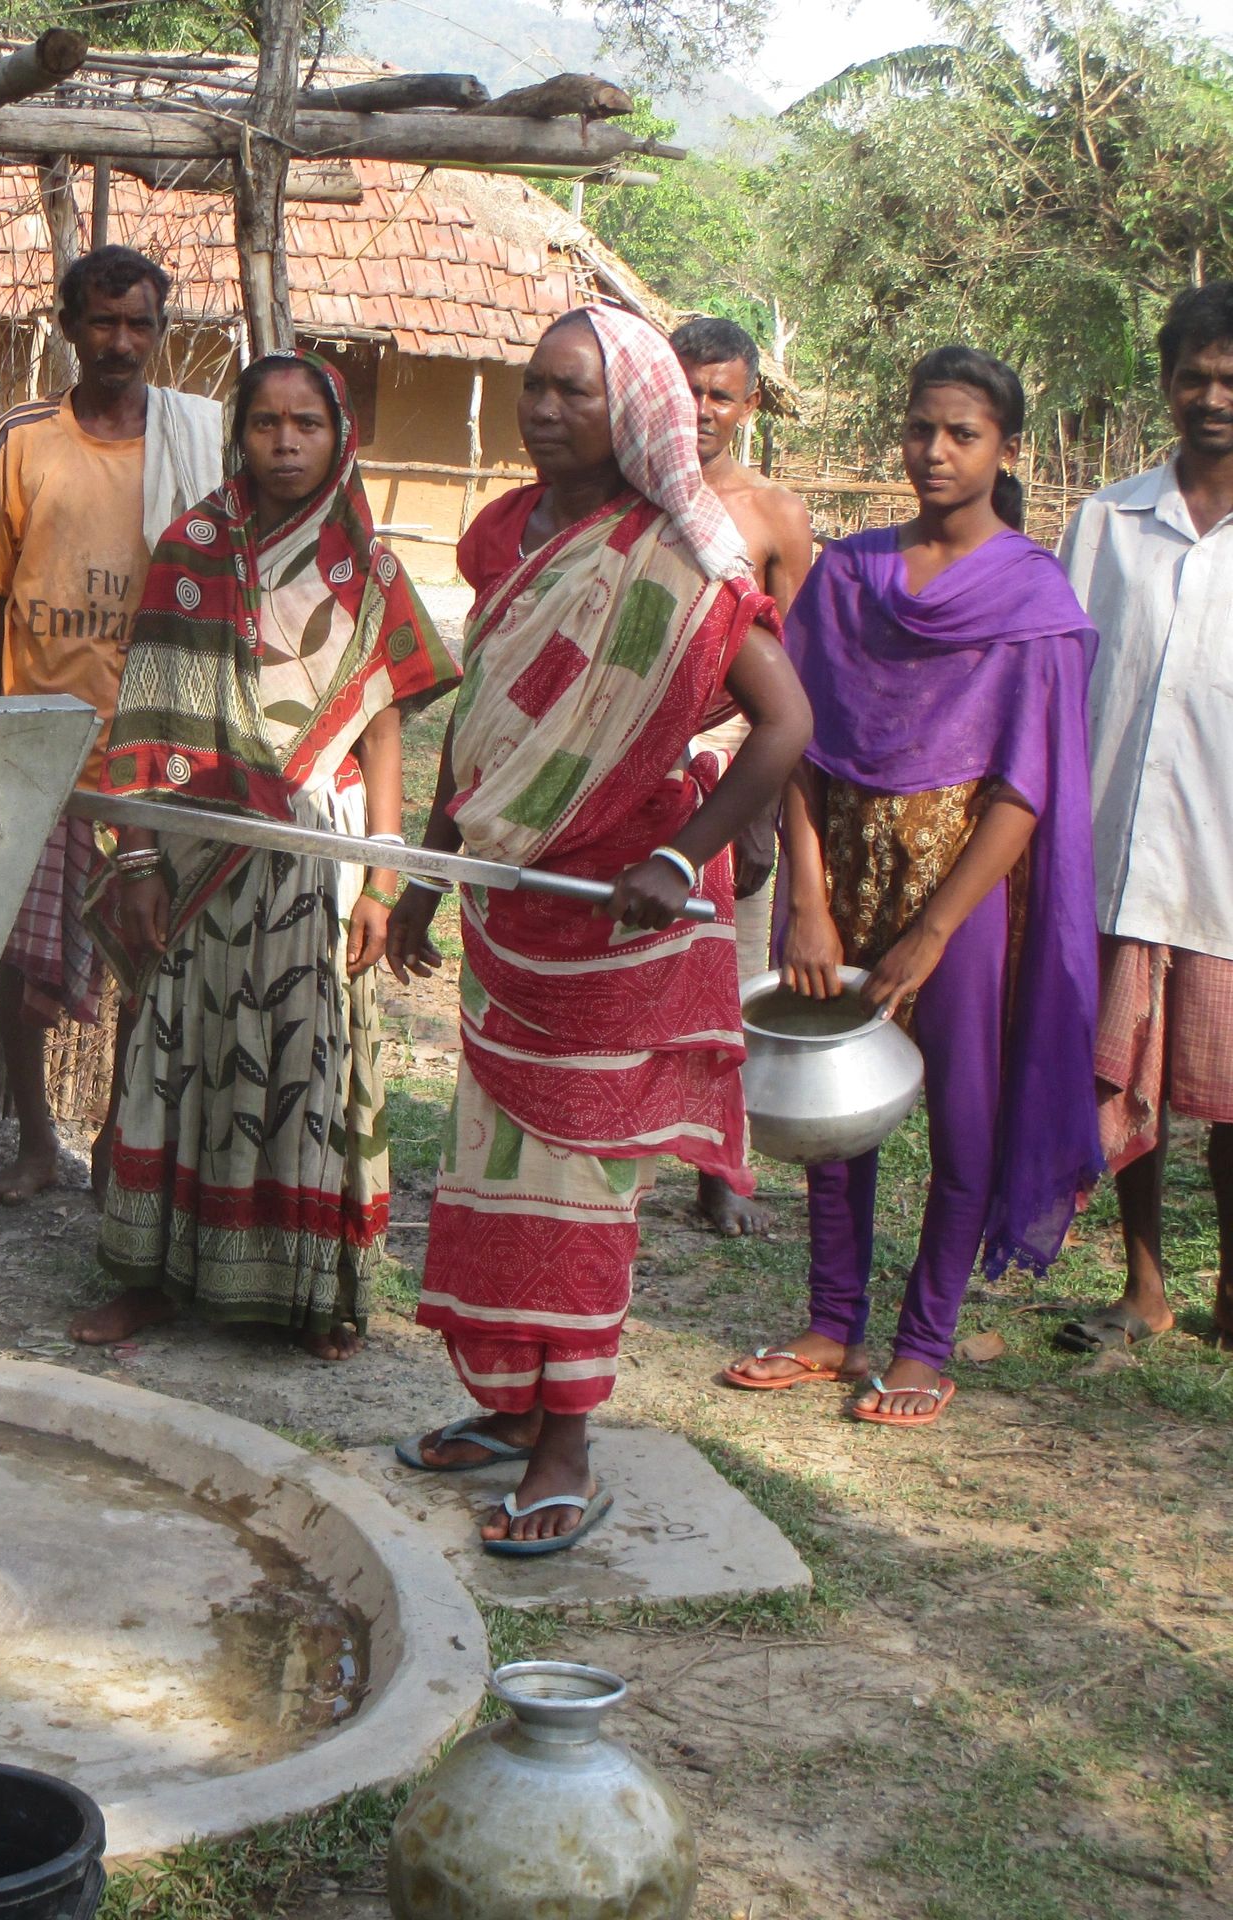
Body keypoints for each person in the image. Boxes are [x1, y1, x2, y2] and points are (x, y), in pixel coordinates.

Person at [387, 307, 809, 1552]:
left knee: (578, 1189)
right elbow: (488, 731)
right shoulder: (509, 537)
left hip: (620, 927)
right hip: (509, 912)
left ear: (629, 411)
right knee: (494, 1172)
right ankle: (513, 1413)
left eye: (572, 391)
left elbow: (782, 729)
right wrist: (425, 874)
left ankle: (567, 1442)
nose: (542, 410)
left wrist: (680, 857)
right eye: (532, 387)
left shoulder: (683, 555)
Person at [723, 346, 1102, 1422]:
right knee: (831, 1103)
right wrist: (805, 895)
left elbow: (1025, 788)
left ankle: (924, 1342)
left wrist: (934, 931)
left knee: (962, 1123)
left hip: (964, 894)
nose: (934, 452)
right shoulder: (847, 579)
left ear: (1006, 451)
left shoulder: (1032, 598)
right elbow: (794, 739)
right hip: (837, 872)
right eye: (920, 429)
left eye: (963, 434)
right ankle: (831, 1324)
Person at [66, 355, 457, 1361]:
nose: (285, 444)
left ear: (339, 437)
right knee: (177, 1052)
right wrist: (143, 862)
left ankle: (313, 1291)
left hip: (319, 856)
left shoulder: (366, 570)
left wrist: (382, 879)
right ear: (238, 436)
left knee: (308, 1063)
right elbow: (145, 715)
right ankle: (149, 1277)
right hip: (201, 850)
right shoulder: (189, 549)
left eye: (306, 425)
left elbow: (380, 739)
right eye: (265, 424)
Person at [0, 245, 223, 1205]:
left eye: (139, 324)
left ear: (161, 332)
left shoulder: (196, 441)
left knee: (146, 952)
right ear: (67, 326)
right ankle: (37, 1142)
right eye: (102, 322)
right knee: (18, 960)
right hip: (44, 744)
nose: (120, 342)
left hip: (157, 749)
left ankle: (121, 1140)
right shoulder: (24, 440)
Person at [1056, 280, 1233, 1353]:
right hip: (1119, 851)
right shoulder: (1108, 521)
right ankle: (1144, 1285)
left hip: (1224, 863)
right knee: (1132, 1092)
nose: (1213, 395)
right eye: (1195, 375)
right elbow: (1063, 679)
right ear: (1165, 384)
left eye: (1232, 378)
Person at [672, 315, 818, 1238]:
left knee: (730, 979)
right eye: (685, 388)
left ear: (749, 404)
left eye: (720, 394)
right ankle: (622, 1142)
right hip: (628, 762)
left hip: (736, 770)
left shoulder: (776, 516)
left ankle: (722, 1164)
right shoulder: (624, 494)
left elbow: (795, 674)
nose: (699, 410)